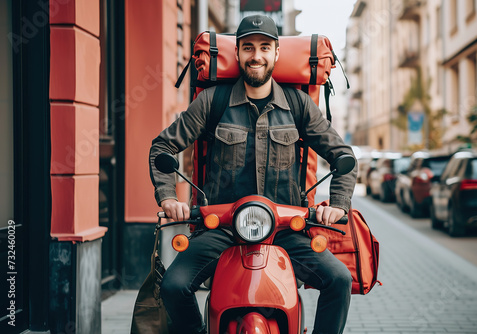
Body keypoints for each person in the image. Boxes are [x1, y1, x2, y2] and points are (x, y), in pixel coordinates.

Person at [149, 15, 357, 334]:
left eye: (264, 47)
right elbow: (163, 146)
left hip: (286, 228)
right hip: (220, 226)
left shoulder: (298, 105)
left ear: (276, 54)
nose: (256, 55)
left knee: (339, 280)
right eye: (248, 47)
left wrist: (338, 204)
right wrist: (167, 197)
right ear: (238, 53)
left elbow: (343, 155)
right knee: (174, 287)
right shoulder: (212, 101)